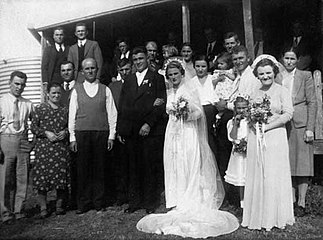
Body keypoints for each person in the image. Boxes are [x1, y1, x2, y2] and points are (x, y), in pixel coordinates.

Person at [136, 61, 239, 238]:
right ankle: (177, 198)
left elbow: (199, 113)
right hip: (172, 132)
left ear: (182, 73)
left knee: (188, 161)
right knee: (174, 163)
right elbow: (165, 110)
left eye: (176, 74)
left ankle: (190, 197)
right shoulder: (168, 92)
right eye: (170, 75)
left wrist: (186, 113)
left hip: (188, 131)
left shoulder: (189, 89)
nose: (173, 77)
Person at [242, 57, 295, 231]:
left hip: (275, 136)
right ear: (257, 75)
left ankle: (274, 215)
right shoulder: (255, 92)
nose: (265, 76)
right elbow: (249, 113)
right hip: (256, 136)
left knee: (273, 174)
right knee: (258, 173)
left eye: (268, 73)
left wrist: (268, 127)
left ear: (274, 73)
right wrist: (254, 125)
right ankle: (258, 215)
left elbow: (288, 114)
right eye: (261, 74)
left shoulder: (281, 90)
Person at [117, 47, 167, 214]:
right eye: (135, 59)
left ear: (147, 59)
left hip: (149, 130)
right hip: (131, 129)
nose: (138, 62)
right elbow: (124, 106)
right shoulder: (129, 80)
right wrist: (122, 129)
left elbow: (161, 106)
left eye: (141, 58)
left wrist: (148, 124)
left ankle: (150, 202)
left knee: (149, 166)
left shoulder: (157, 78)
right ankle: (134, 201)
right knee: (133, 167)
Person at [68, 58, 117, 214]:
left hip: (101, 133)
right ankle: (83, 202)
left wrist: (111, 135)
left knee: (99, 168)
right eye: (87, 69)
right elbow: (72, 115)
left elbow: (112, 113)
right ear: (82, 72)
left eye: (92, 68)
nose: (90, 71)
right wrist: (72, 137)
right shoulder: (77, 90)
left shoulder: (105, 89)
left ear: (97, 70)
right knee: (83, 169)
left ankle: (98, 201)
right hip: (82, 133)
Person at [281, 48, 317, 217]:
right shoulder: (277, 76)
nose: (289, 61)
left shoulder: (305, 76)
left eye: (292, 58)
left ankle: (301, 202)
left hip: (301, 124)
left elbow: (312, 102)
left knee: (302, 163)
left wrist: (310, 128)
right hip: (283, 124)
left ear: (298, 60)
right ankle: (291, 199)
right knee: (288, 162)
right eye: (286, 58)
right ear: (282, 59)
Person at [31, 83, 69, 217]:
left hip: (60, 148)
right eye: (53, 93)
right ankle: (43, 207)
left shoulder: (64, 109)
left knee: (60, 177)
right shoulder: (40, 109)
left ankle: (59, 205)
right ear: (47, 93)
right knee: (43, 178)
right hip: (44, 148)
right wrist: (46, 132)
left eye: (58, 93)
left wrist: (65, 132)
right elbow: (33, 128)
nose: (56, 95)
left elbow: (69, 126)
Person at [0, 71, 33, 223]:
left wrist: (32, 143)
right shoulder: (2, 101)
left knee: (22, 177)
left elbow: (37, 123)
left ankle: (19, 209)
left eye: (22, 84)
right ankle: (6, 212)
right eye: (17, 84)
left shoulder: (28, 103)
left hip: (22, 141)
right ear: (10, 83)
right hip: (6, 140)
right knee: (5, 178)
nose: (20, 87)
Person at [108, 58, 132, 206]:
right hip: (117, 129)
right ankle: (121, 194)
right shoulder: (113, 86)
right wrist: (116, 131)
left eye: (127, 69)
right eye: (121, 70)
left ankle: (133, 193)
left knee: (133, 164)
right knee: (119, 165)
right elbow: (112, 109)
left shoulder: (135, 83)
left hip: (132, 130)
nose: (124, 73)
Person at [224, 96, 249, 209]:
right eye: (239, 108)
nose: (241, 110)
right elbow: (232, 137)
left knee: (249, 177)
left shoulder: (250, 121)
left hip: (249, 153)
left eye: (244, 108)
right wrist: (235, 124)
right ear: (235, 108)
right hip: (238, 155)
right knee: (240, 178)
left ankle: (251, 202)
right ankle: (242, 203)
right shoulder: (231, 122)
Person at [191, 54, 217, 155]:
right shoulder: (191, 82)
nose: (200, 69)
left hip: (211, 112)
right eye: (197, 66)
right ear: (194, 67)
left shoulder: (213, 79)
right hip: (197, 113)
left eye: (203, 66)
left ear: (208, 66)